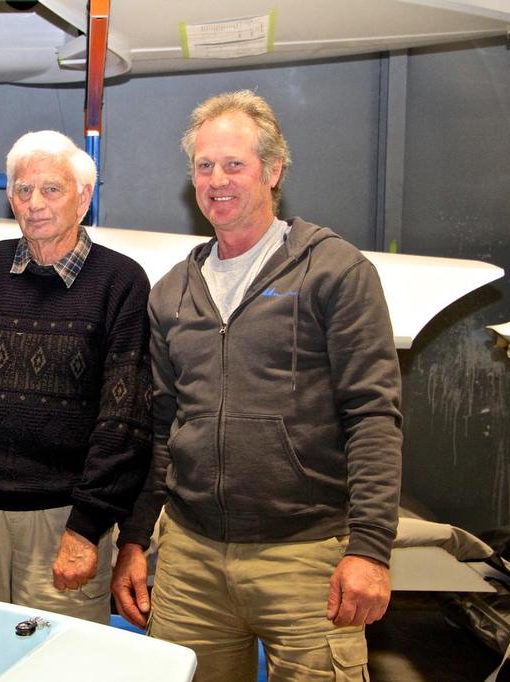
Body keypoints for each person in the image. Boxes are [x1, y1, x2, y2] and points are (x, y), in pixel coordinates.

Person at [111, 90, 403, 681]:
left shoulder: (334, 272)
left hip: (305, 557)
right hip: (192, 559)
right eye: (203, 166)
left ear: (273, 171)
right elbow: (163, 428)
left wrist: (369, 549)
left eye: (234, 164)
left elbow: (373, 414)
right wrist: (136, 540)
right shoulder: (172, 292)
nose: (217, 179)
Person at [0, 130, 152, 626]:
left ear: (84, 197)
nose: (35, 204)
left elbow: (124, 418)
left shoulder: (120, 283)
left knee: (55, 666)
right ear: (10, 198)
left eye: (51, 190)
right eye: (23, 190)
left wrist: (87, 527)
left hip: (64, 524)